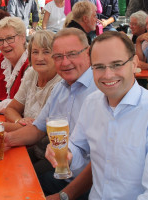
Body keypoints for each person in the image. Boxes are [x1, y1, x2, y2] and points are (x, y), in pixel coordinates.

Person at [45, 31, 148, 200]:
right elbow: (78, 146)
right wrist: (66, 153)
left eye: (116, 64)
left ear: (134, 62)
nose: (107, 75)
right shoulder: (92, 102)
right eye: (99, 67)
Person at [4, 28, 97, 197]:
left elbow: (99, 163)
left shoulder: (99, 91)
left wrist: (64, 196)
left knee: (15, 184)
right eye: (59, 56)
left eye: (72, 54)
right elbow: (37, 129)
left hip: (86, 186)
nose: (65, 62)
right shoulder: (61, 88)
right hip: (61, 173)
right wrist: (5, 140)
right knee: (7, 177)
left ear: (88, 52)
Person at [0, 30, 61, 132]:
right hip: (22, 142)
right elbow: (11, 109)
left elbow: (38, 130)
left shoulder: (60, 83)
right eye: (35, 52)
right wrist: (19, 121)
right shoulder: (33, 73)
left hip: (44, 147)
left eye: (46, 52)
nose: (40, 58)